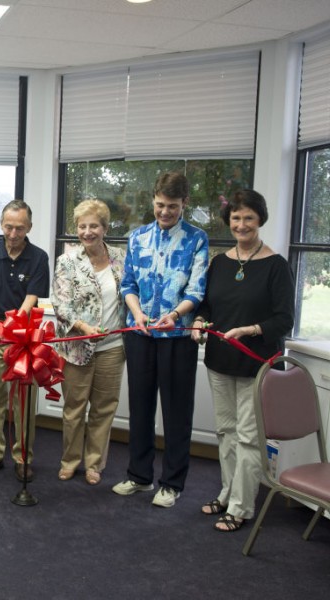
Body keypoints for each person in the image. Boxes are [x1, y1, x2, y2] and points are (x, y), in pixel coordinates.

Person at [191, 190, 294, 532]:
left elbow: (284, 320)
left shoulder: (276, 266)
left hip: (258, 364)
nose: (242, 224)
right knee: (226, 432)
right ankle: (227, 491)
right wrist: (199, 321)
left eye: (249, 217)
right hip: (220, 361)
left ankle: (241, 506)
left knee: (249, 437)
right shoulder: (219, 263)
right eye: (236, 218)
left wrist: (251, 329)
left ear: (260, 220)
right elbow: (207, 305)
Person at [112, 171, 208, 508]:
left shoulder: (197, 239)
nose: (164, 212)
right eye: (159, 205)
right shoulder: (137, 237)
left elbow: (197, 289)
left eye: (172, 206)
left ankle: (171, 483)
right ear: (153, 201)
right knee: (140, 406)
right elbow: (128, 284)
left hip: (176, 335)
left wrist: (177, 314)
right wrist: (136, 312)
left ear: (185, 204)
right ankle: (139, 476)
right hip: (140, 334)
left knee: (176, 411)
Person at [0, 200, 49, 482]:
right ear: (1, 224)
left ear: (29, 226)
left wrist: (14, 324)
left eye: (19, 228)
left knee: (23, 400)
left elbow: (33, 297)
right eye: (8, 227)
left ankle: (23, 457)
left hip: (24, 332)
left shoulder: (39, 257)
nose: (13, 233)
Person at [52, 199, 125, 485]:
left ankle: (95, 464)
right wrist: (84, 327)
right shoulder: (67, 260)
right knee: (74, 409)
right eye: (82, 226)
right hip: (78, 346)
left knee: (104, 408)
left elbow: (129, 295)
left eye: (94, 225)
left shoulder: (120, 257)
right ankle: (70, 461)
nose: (87, 231)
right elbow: (61, 305)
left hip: (113, 347)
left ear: (105, 228)